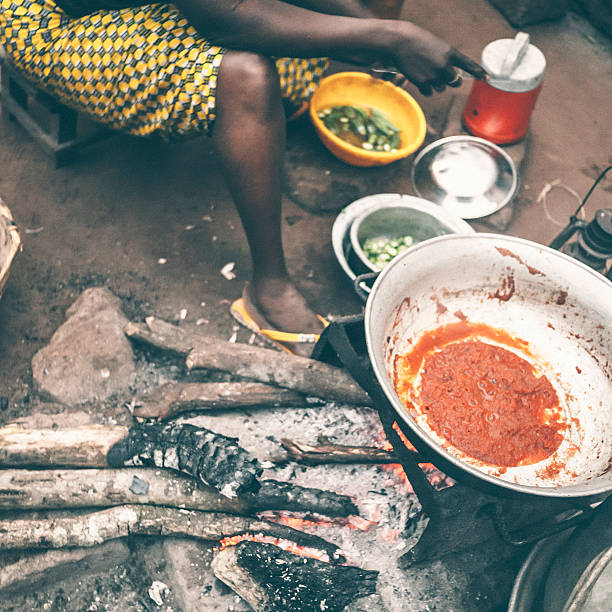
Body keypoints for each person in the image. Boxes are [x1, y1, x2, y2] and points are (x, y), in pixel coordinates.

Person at [0, 0, 486, 355]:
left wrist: (375, 28)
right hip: (57, 18)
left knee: (349, 24)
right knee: (247, 76)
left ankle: (265, 123)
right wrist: (389, 38)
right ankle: (268, 291)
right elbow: (225, 14)